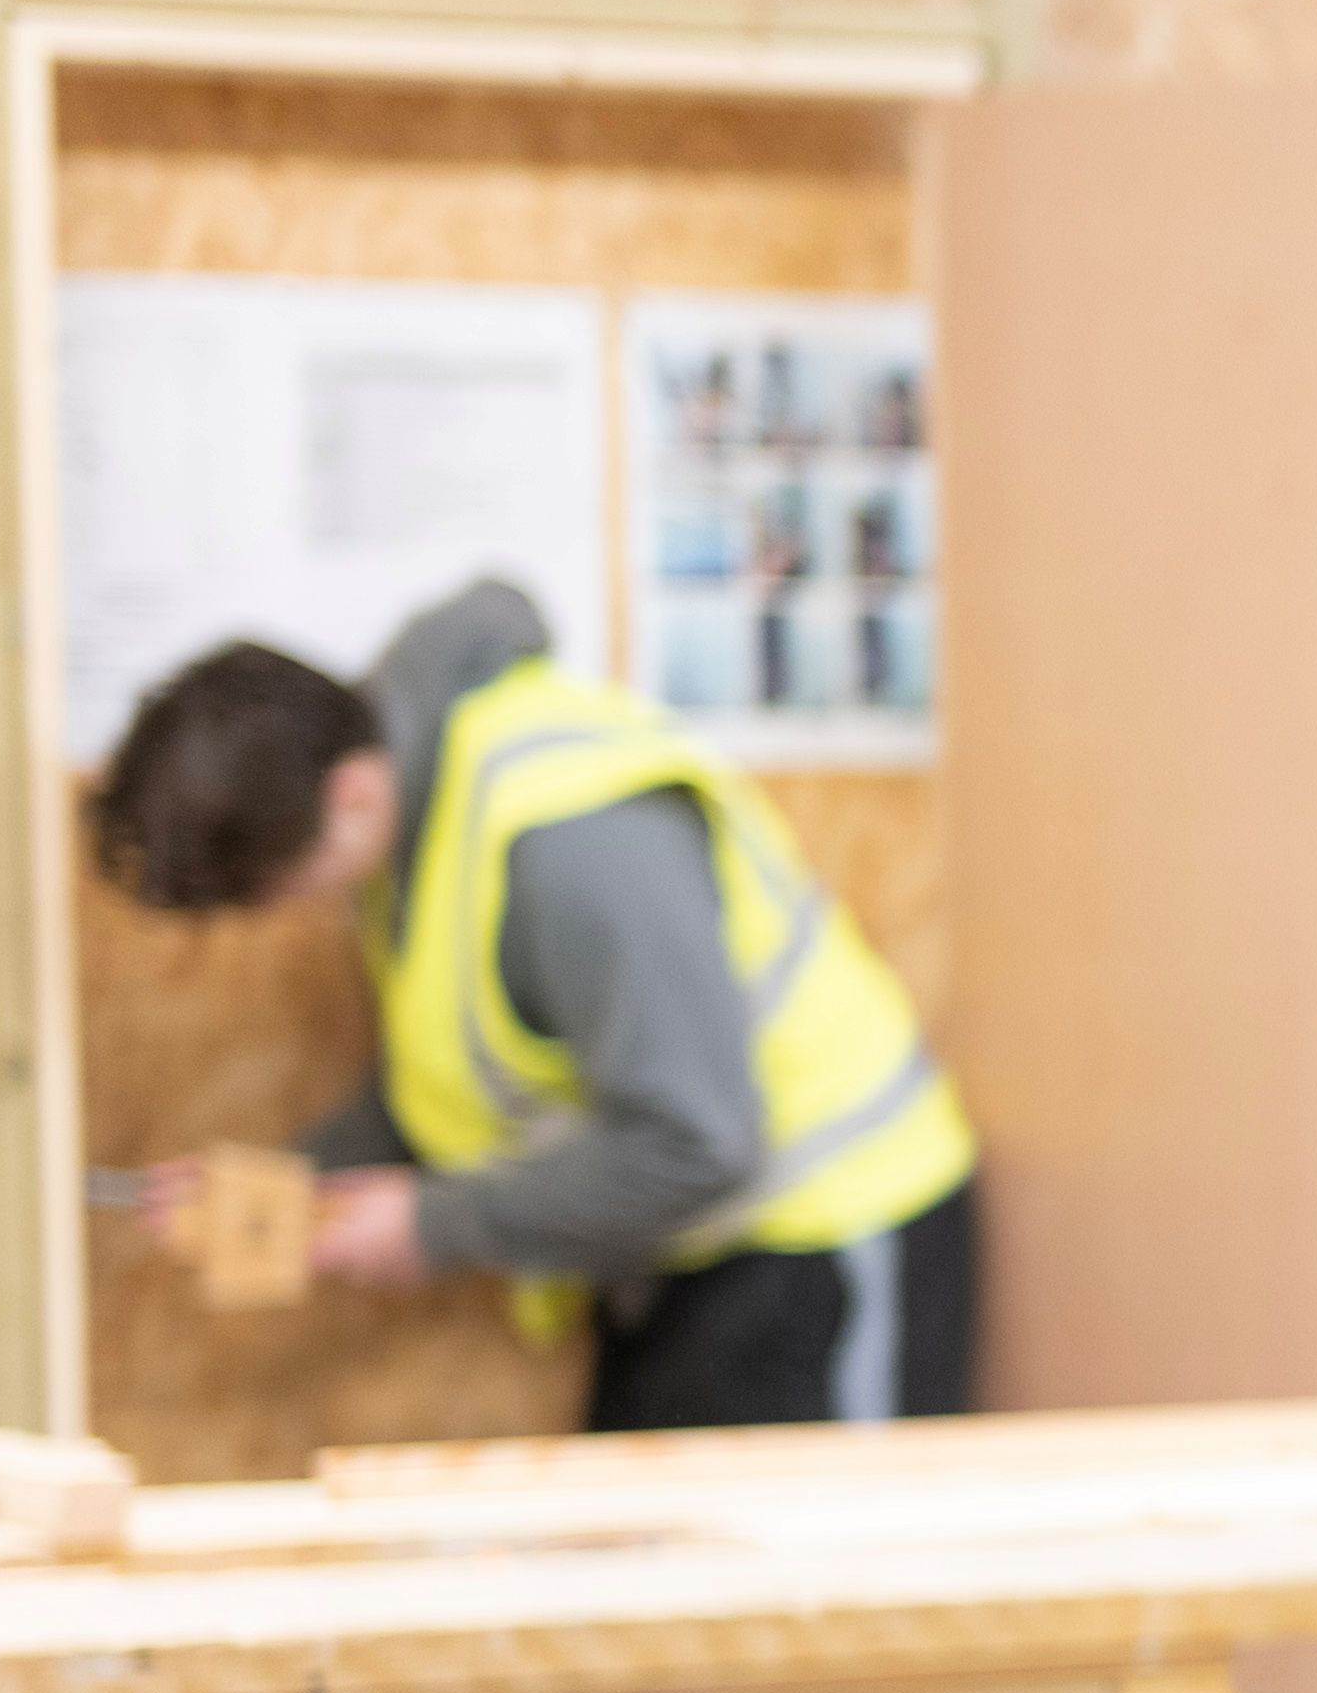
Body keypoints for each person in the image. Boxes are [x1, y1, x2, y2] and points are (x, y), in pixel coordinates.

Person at [82, 578, 979, 1430]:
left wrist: (434, 1225)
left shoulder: (572, 844)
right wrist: (284, 1184)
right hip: (680, 1251)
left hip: (828, 1232)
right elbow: (449, 1075)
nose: (276, 915)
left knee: (810, 1578)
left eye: (272, 888)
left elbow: (698, 1139)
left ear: (350, 794)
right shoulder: (406, 813)